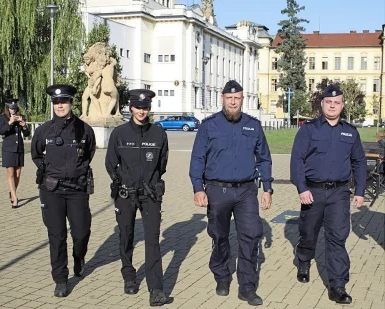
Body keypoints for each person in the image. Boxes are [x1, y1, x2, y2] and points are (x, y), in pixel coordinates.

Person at [189, 80, 274, 306]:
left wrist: (267, 188)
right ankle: (222, 276)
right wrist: (198, 188)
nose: (233, 102)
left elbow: (264, 158)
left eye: (237, 98)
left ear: (242, 99)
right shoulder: (209, 126)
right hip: (217, 190)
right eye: (229, 98)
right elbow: (198, 158)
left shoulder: (253, 126)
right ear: (223, 99)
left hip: (246, 192)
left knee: (251, 237)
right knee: (219, 237)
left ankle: (247, 287)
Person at [290, 84, 366, 304]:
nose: (332, 106)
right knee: (308, 233)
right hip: (312, 192)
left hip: (340, 193)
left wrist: (359, 191)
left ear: (342, 105)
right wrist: (301, 188)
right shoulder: (309, 129)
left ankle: (338, 285)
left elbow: (359, 162)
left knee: (337, 238)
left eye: (337, 103)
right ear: (322, 103)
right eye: (329, 102)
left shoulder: (350, 132)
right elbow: (297, 160)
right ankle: (303, 260)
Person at [105, 89, 169, 307]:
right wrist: (121, 180)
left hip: (150, 194)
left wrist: (151, 182)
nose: (142, 111)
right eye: (138, 107)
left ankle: (156, 288)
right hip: (126, 194)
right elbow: (110, 162)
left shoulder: (158, 134)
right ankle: (129, 275)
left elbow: (162, 165)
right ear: (131, 108)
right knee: (126, 236)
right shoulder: (119, 133)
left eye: (145, 107)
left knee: (152, 240)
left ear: (149, 109)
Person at [31, 84, 96, 297]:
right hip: (52, 190)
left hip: (77, 189)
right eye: (56, 103)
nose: (60, 106)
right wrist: (51, 170)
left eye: (64, 102)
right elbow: (36, 154)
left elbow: (88, 154)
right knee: (57, 236)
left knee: (81, 232)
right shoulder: (44, 130)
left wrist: (76, 170)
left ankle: (79, 257)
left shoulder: (84, 129)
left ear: (71, 103)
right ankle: (60, 278)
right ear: (53, 105)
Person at [0, 98, 30, 208]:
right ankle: (15, 198)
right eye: (11, 108)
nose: (13, 110)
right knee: (10, 174)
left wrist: (24, 125)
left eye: (15, 108)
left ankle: (12, 192)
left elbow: (26, 134)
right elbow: (1, 131)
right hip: (8, 149)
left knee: (17, 174)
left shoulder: (21, 117)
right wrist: (10, 122)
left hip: (19, 149)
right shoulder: (3, 118)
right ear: (7, 108)